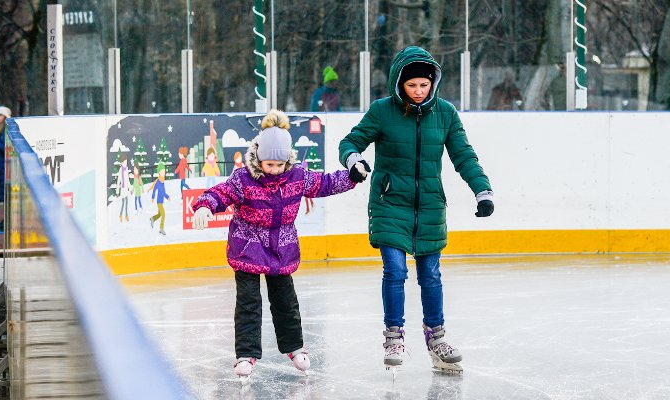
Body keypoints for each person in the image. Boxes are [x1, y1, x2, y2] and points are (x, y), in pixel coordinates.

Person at [338, 46, 495, 373]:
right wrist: (354, 162)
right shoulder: (383, 111)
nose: (419, 92)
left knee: (431, 275)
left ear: (432, 83)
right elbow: (350, 142)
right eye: (412, 86)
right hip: (389, 204)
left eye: (424, 85)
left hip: (429, 207)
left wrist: (482, 191)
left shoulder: (446, 113)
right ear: (399, 83)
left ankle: (436, 338)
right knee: (395, 270)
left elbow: (464, 156)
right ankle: (394, 335)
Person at [191, 109, 361, 380]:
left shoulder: (297, 177)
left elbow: (325, 183)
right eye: (268, 164)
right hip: (247, 247)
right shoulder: (243, 179)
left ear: (287, 160)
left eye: (278, 165)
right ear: (258, 158)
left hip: (280, 249)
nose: (273, 169)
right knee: (248, 303)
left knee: (285, 300)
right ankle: (245, 354)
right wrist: (204, 205)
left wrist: (352, 176)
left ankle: (294, 347)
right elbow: (220, 193)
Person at [147, 162, 170, 235]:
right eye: (162, 171)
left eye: (164, 171)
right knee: (163, 214)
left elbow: (163, 192)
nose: (164, 172)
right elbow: (154, 190)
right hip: (159, 202)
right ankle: (161, 228)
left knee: (160, 214)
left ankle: (152, 219)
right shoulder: (158, 181)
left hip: (161, 201)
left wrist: (167, 196)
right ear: (159, 172)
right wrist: (152, 197)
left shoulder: (163, 181)